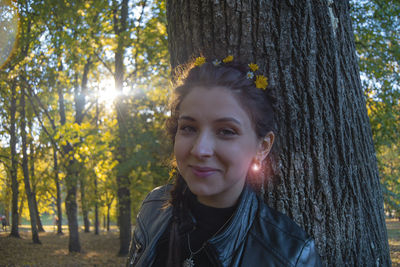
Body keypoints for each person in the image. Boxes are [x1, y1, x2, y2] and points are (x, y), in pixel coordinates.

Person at [127, 56, 322, 267]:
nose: (200, 149)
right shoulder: (153, 207)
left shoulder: (290, 255)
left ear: (262, 146)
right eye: (189, 128)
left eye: (226, 131)